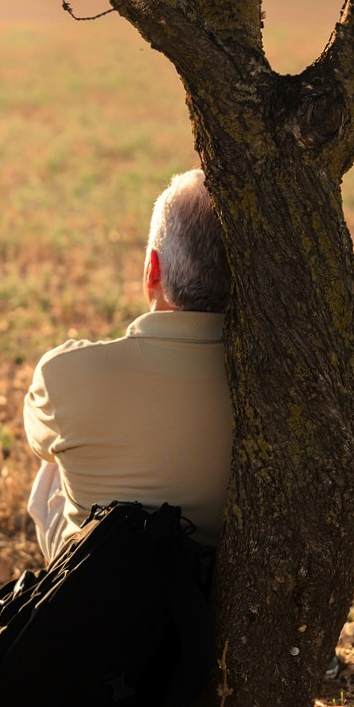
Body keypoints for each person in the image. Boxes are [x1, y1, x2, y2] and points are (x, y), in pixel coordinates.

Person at [24, 169, 232, 563]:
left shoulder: (64, 374)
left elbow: (38, 441)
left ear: (152, 268)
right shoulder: (275, 384)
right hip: (213, 593)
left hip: (101, 594)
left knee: (55, 462)